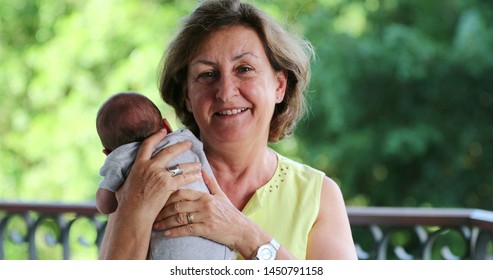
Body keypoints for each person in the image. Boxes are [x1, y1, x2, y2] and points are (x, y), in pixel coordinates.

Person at [99, 0, 357, 260]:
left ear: (279, 86)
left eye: (244, 69)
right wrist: (136, 208)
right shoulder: (147, 176)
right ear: (187, 95)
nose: (225, 91)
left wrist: (245, 235)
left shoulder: (318, 196)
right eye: (207, 74)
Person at [95, 91, 236, 259]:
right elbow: (206, 174)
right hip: (218, 250)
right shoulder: (185, 139)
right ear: (167, 126)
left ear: (107, 152)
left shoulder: (119, 158)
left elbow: (105, 205)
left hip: (169, 251)